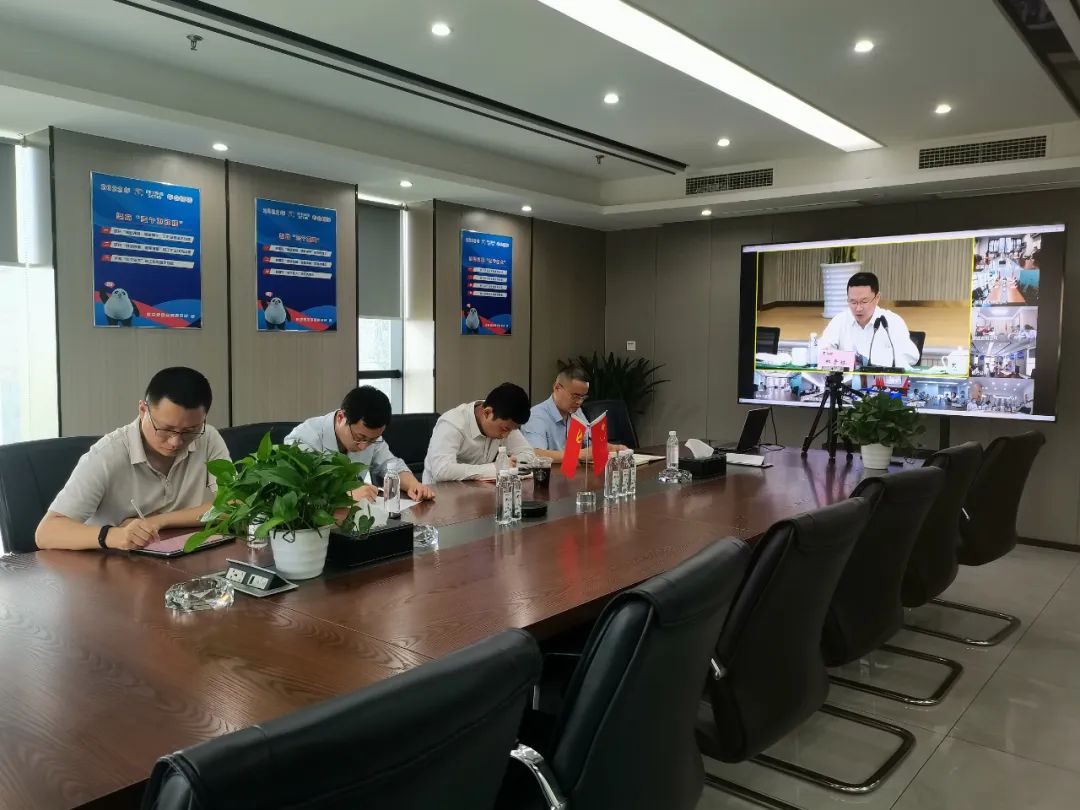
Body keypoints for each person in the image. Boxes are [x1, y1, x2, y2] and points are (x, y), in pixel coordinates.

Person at [35, 367, 229, 551]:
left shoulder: (208, 438)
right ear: (143, 410)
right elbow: (46, 533)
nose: (175, 442)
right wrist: (115, 535)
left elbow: (232, 506)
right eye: (165, 429)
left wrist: (157, 521)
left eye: (190, 430)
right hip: (110, 561)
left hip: (177, 555)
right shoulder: (106, 455)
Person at [285, 385, 434, 503]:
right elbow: (299, 492)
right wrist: (345, 495)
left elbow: (390, 464)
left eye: (372, 440)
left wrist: (414, 485)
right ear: (341, 417)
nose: (363, 446)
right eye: (359, 437)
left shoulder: (370, 437)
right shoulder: (303, 438)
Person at [423, 382, 536, 483]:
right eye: (505, 429)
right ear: (487, 413)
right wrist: (493, 468)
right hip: (441, 494)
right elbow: (441, 470)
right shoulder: (453, 423)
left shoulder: (505, 422)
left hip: (479, 491)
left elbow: (528, 455)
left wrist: (509, 463)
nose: (506, 435)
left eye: (511, 430)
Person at [522, 366, 627, 463]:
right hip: (550, 475)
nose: (579, 402)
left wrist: (611, 448)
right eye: (575, 396)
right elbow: (535, 454)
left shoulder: (576, 411)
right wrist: (578, 454)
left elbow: (590, 442)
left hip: (576, 473)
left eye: (583, 397)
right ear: (557, 387)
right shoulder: (536, 416)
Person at [819, 272, 920, 368]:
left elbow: (912, 356)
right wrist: (849, 360)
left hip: (881, 380)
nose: (858, 308)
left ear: (877, 298)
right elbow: (822, 352)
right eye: (853, 302)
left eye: (864, 302)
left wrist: (875, 361)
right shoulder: (840, 320)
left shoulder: (891, 321)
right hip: (846, 380)